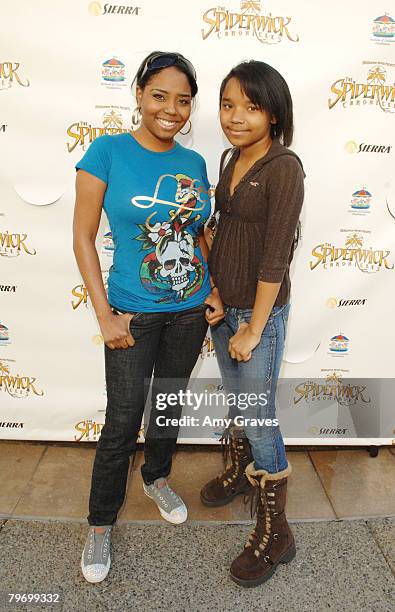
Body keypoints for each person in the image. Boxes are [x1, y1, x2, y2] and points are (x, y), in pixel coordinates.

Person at [73, 51, 223, 583]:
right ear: (139, 95)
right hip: (132, 313)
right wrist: (105, 316)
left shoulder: (195, 164)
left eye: (183, 100)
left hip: (188, 312)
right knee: (121, 420)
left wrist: (214, 289)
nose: (172, 109)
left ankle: (156, 478)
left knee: (167, 404)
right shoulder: (105, 152)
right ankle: (98, 524)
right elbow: (83, 239)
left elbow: (199, 234)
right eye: (160, 96)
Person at [201, 60, 305, 588]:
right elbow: (220, 232)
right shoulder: (228, 159)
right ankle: (244, 473)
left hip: (257, 314)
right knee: (239, 401)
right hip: (225, 308)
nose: (236, 117)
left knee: (259, 416)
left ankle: (276, 532)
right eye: (227, 105)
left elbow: (274, 257)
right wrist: (213, 293)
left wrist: (253, 327)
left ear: (274, 111)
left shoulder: (284, 166)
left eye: (251, 106)